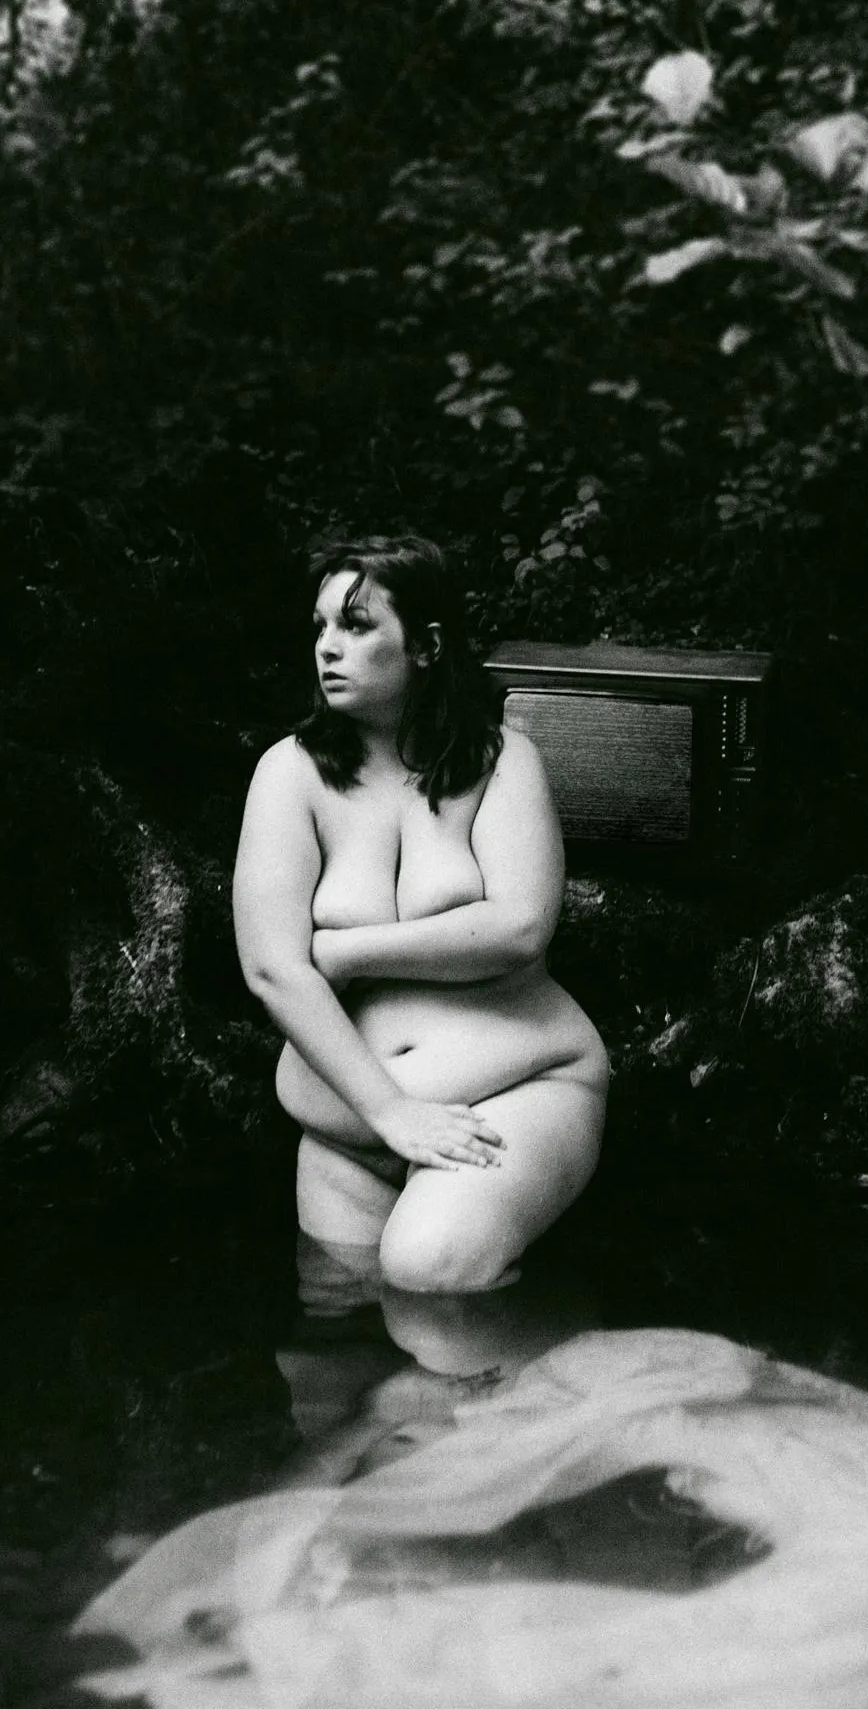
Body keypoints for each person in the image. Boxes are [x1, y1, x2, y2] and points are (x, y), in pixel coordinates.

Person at [234, 535, 608, 1295]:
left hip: (516, 1088)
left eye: (356, 625)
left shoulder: (502, 761)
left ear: (426, 646)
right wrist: (391, 1112)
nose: (328, 647)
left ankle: (582, 1365)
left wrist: (344, 952)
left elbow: (518, 929)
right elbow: (273, 968)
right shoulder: (288, 774)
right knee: (336, 1331)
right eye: (320, 627)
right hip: (349, 1123)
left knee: (430, 1269)